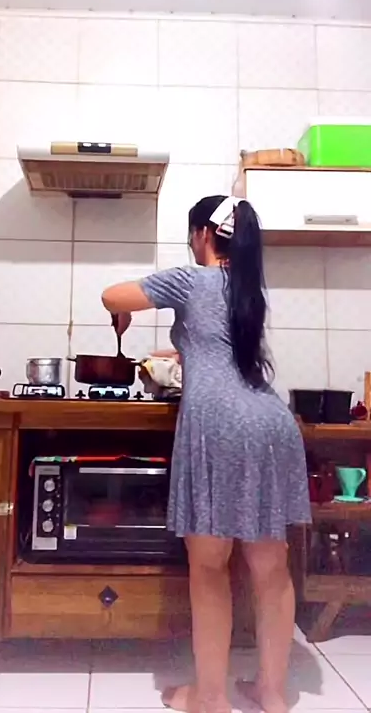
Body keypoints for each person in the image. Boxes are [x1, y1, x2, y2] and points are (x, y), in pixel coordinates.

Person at [101, 195, 311, 713]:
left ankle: (211, 697)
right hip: (270, 422)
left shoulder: (190, 279)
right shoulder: (247, 289)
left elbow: (110, 295)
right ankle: (271, 692)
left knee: (210, 567)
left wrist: (124, 310)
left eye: (191, 234)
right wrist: (178, 349)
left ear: (203, 234)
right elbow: (217, 351)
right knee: (270, 567)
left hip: (218, 425)